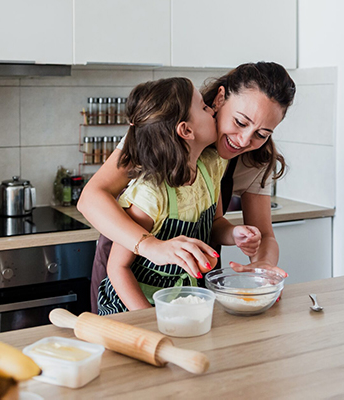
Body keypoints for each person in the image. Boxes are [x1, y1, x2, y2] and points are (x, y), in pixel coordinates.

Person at [78, 62, 296, 313]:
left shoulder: (240, 161)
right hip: (129, 264)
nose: (245, 140)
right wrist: (151, 247)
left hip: (190, 282)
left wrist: (262, 267)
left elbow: (257, 233)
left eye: (262, 134)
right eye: (239, 121)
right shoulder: (163, 125)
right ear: (220, 99)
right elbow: (91, 199)